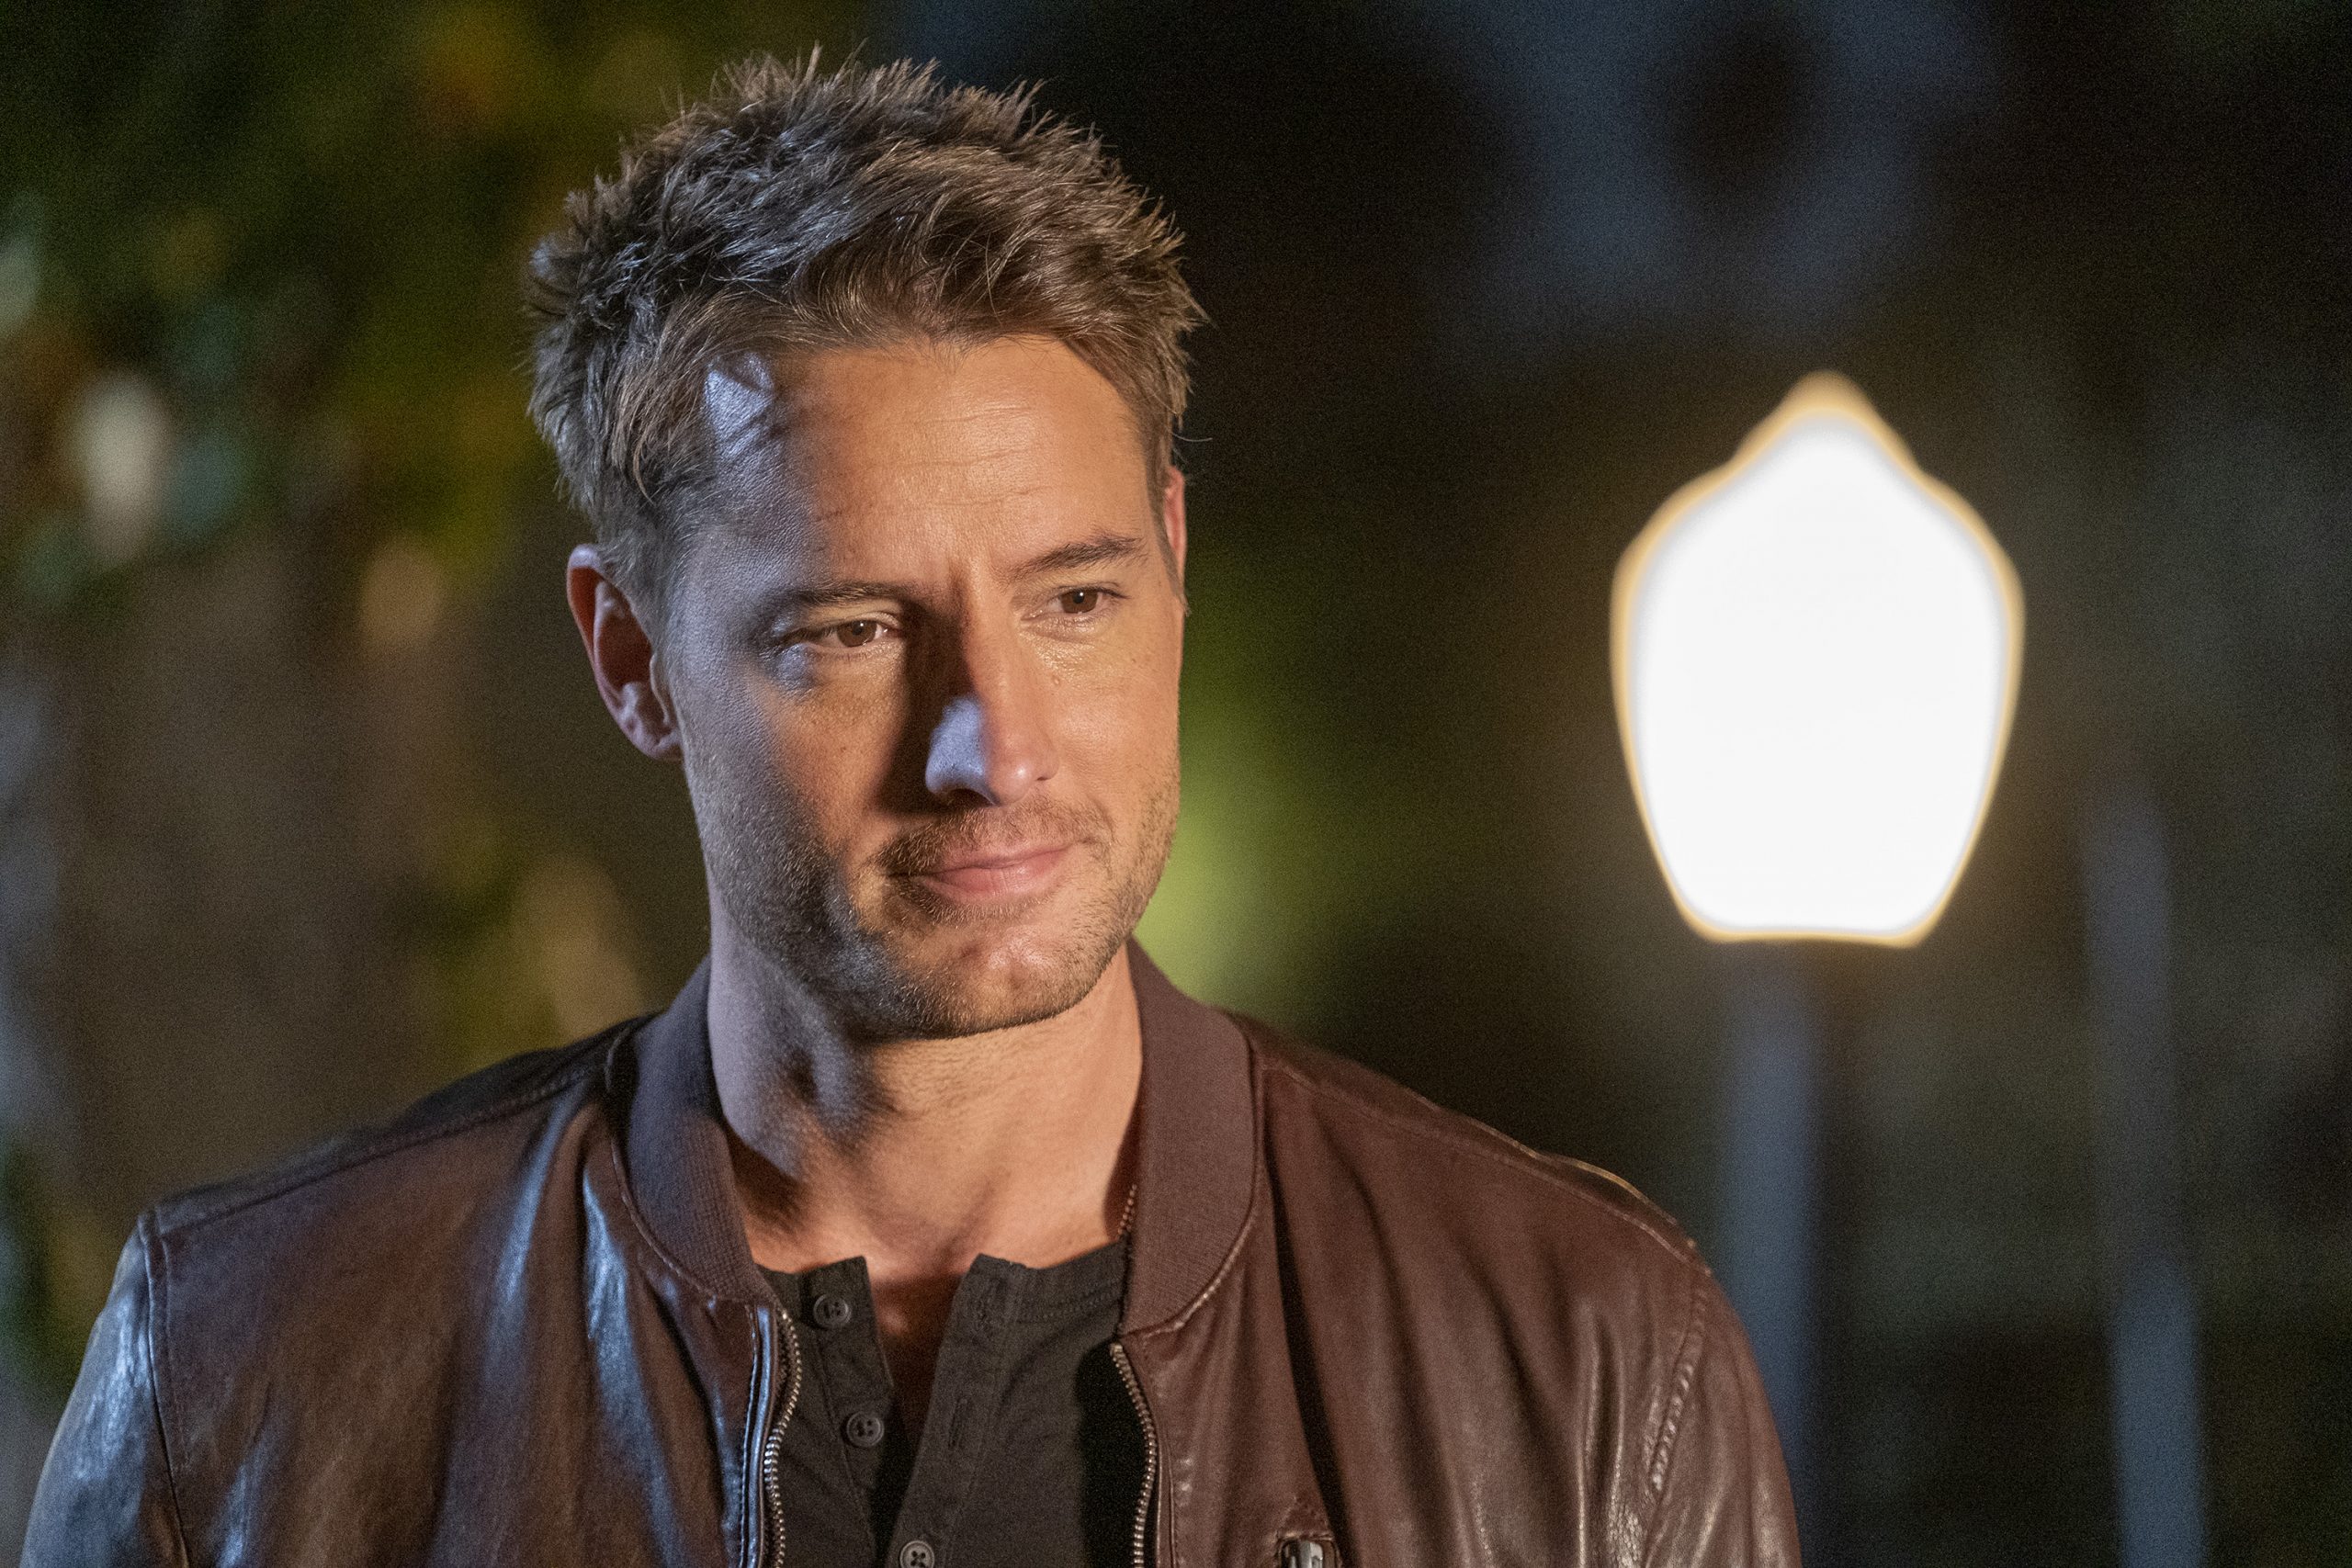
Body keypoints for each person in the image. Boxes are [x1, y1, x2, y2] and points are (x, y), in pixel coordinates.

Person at [26, 55, 1798, 1567]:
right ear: (630, 655)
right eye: (854, 631)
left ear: (1174, 568)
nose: (992, 748)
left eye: (1075, 600)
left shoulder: (1587, 1362)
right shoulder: (249, 1376)